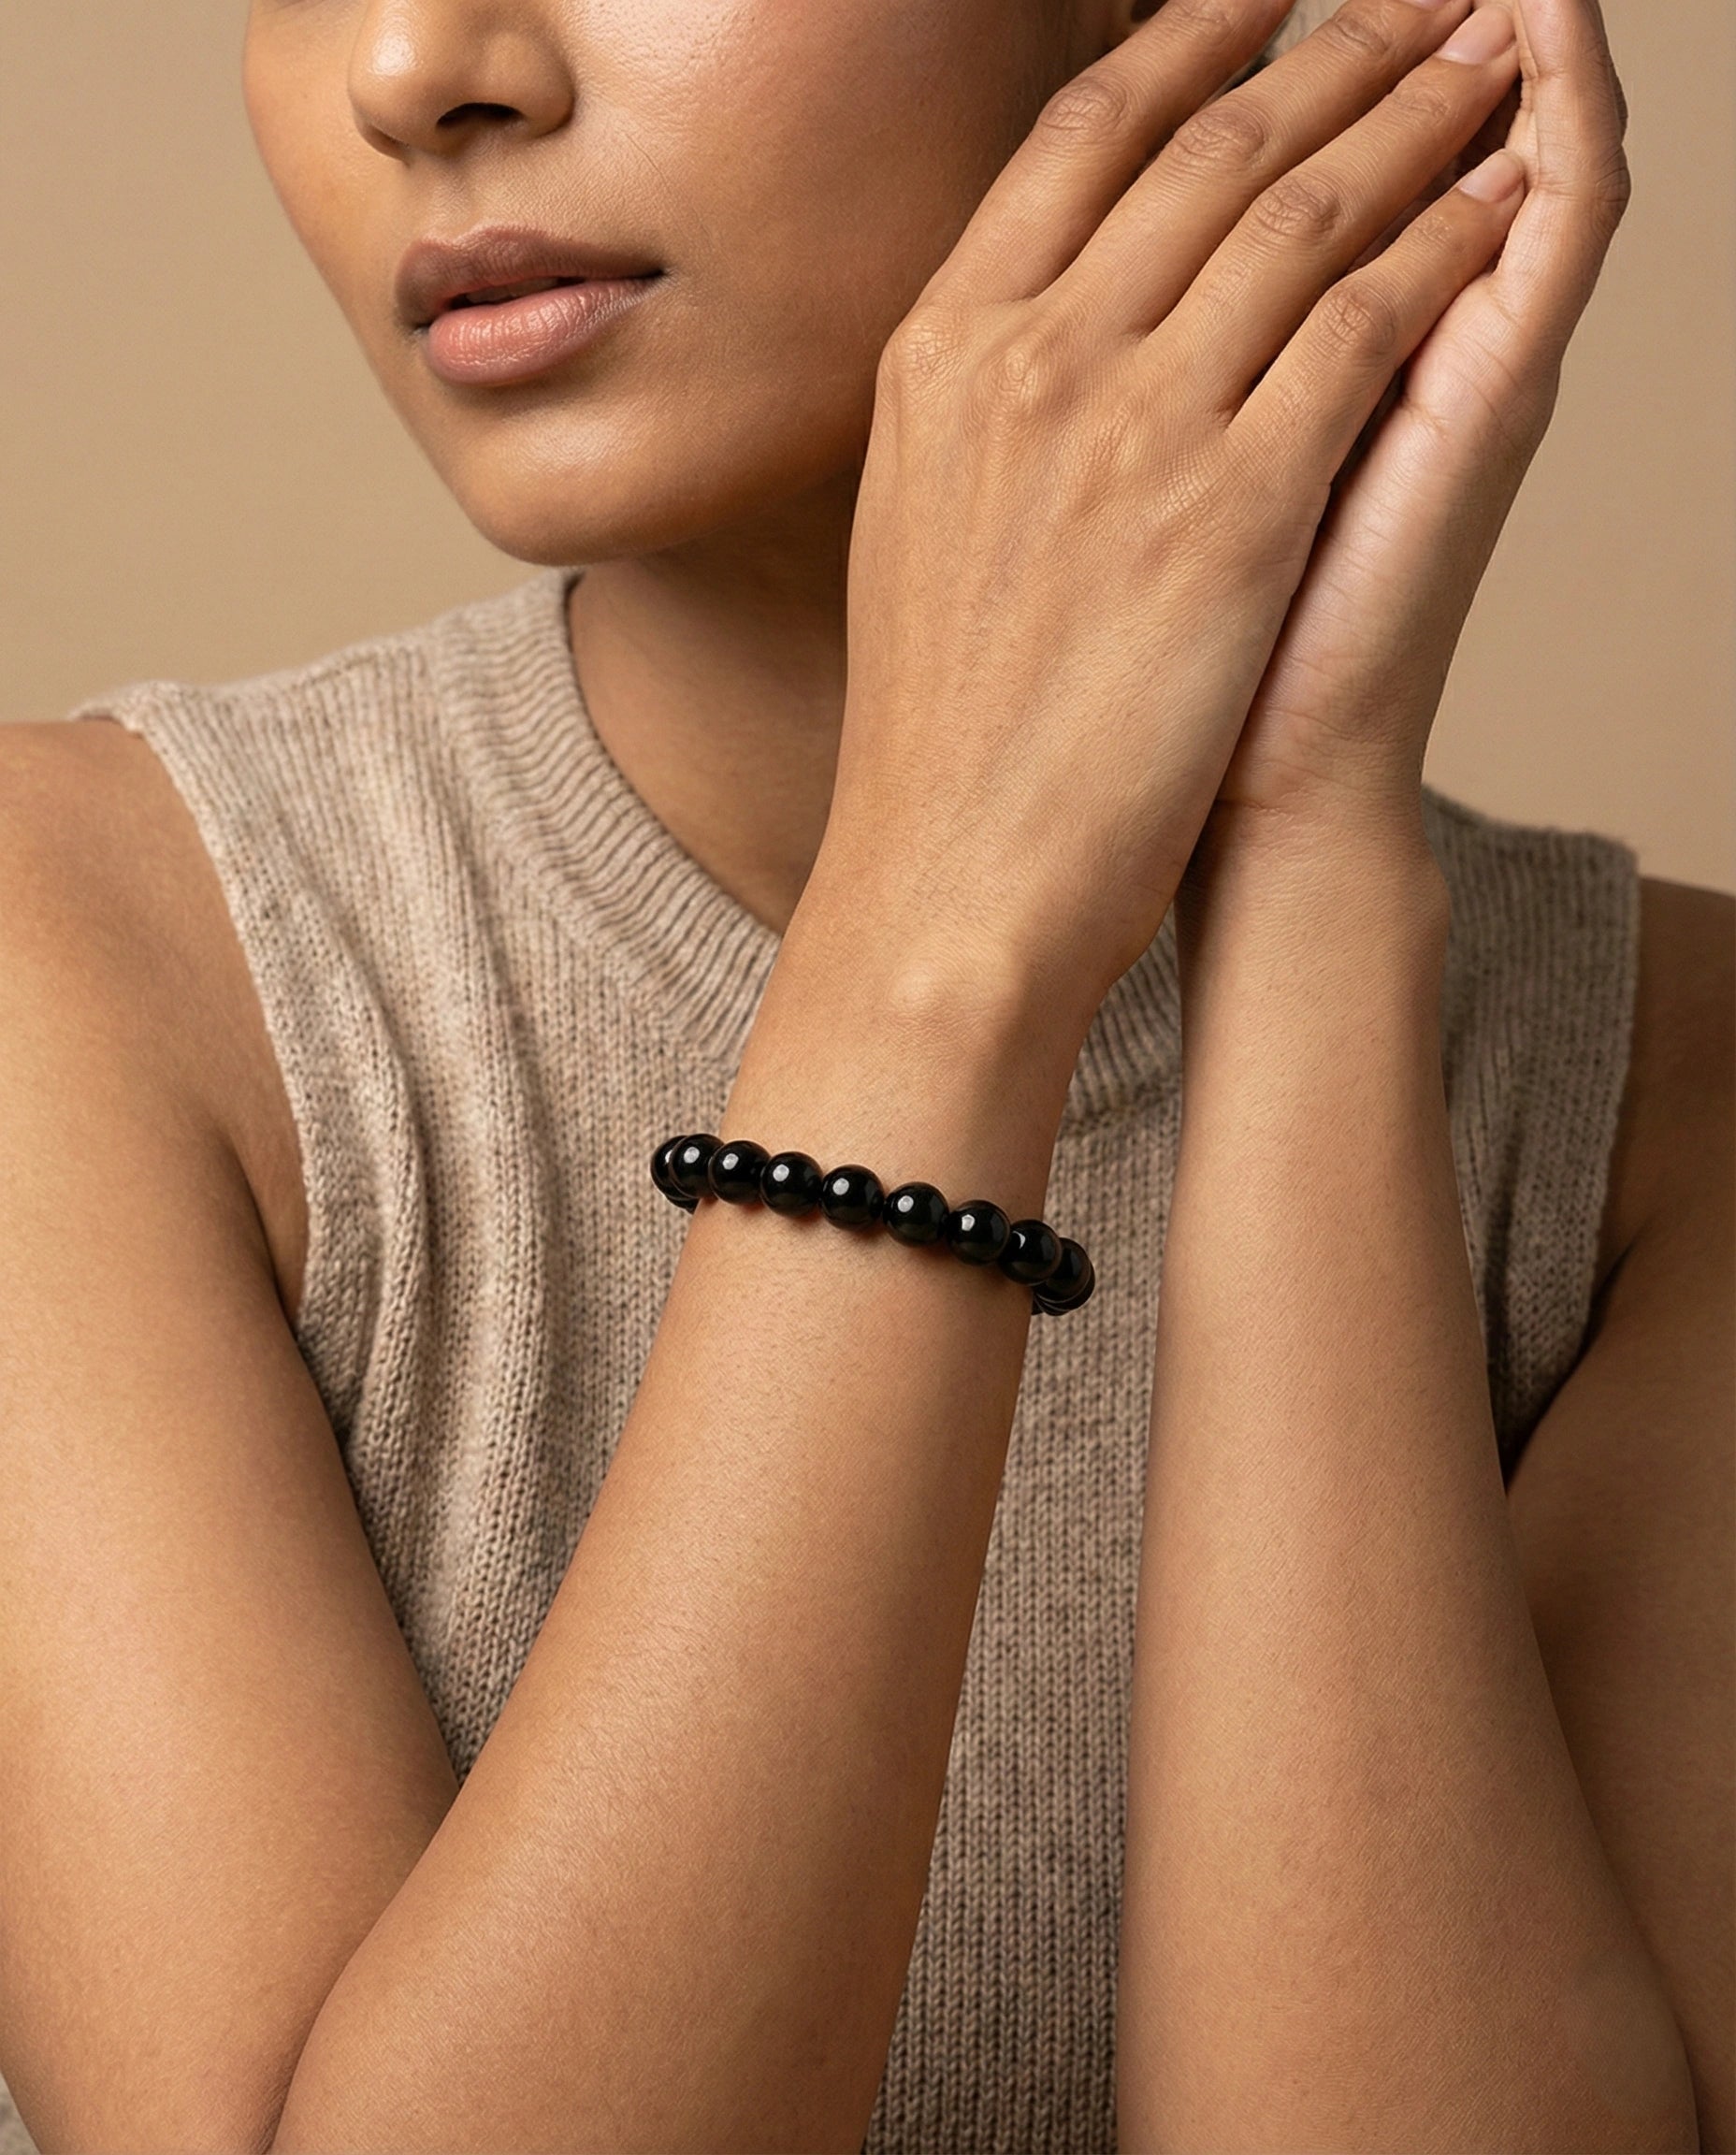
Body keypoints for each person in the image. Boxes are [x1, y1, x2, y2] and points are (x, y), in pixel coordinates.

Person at [0, 0, 1728, 2147]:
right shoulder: (90, 947)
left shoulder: (1680, 1104)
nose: (416, 64)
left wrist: (1305, 859)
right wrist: (944, 935)